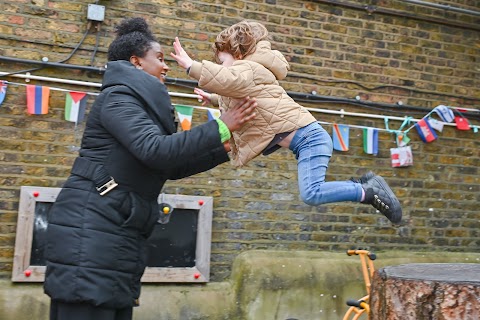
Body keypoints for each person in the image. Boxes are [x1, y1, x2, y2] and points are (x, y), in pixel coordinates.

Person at [43, 17, 256, 320]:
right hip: (90, 232)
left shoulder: (142, 104)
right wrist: (221, 125)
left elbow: (171, 164)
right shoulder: (118, 97)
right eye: (159, 58)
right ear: (136, 63)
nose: (166, 66)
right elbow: (155, 149)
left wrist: (230, 144)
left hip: (114, 231)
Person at [170, 20, 402, 223]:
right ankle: (365, 184)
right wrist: (211, 98)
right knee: (312, 192)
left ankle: (367, 191)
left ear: (238, 53)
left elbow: (228, 80)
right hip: (308, 141)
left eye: (223, 61)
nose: (221, 67)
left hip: (310, 139)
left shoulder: (247, 69)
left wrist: (191, 66)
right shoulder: (248, 75)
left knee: (311, 194)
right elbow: (234, 91)